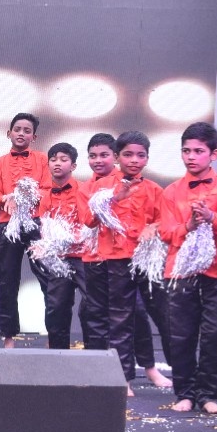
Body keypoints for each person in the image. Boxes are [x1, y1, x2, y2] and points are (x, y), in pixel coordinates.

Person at [88, 130, 169, 396]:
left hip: (147, 260)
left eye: (140, 155)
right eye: (128, 155)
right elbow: (89, 220)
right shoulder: (102, 187)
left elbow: (167, 221)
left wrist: (153, 227)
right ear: (117, 157)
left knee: (162, 314)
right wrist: (114, 198)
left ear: (147, 158)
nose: (134, 160)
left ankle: (178, 375)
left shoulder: (154, 189)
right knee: (120, 318)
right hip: (116, 259)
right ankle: (123, 378)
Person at [158, 122, 217, 415]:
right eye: (186, 151)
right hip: (181, 272)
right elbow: (165, 232)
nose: (191, 157)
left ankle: (210, 395)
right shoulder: (171, 192)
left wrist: (213, 218)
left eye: (198, 151)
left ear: (214, 154)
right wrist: (188, 226)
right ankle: (185, 393)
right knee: (181, 335)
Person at [0, 112, 48, 348]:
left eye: (27, 131)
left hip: (36, 224)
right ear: (9, 133)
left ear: (34, 137)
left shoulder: (42, 160)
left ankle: (53, 334)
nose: (21, 134)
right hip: (8, 225)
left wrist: (25, 196)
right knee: (7, 281)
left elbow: (47, 190)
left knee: (48, 279)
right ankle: (9, 337)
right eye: (17, 129)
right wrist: (7, 199)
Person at [32, 142, 88, 350]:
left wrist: (69, 238)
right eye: (53, 160)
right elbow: (45, 226)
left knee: (92, 305)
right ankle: (58, 353)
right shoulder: (44, 195)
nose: (57, 163)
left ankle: (95, 352)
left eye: (63, 160)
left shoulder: (84, 190)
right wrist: (43, 245)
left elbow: (89, 224)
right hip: (59, 259)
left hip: (83, 257)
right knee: (56, 307)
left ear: (73, 166)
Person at [77, 133, 117, 351]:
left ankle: (124, 358)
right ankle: (98, 357)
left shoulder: (126, 182)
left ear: (115, 156)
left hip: (122, 256)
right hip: (94, 258)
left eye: (104, 155)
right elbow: (88, 221)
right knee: (95, 311)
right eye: (93, 156)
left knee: (126, 310)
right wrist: (103, 204)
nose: (98, 160)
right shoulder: (85, 189)